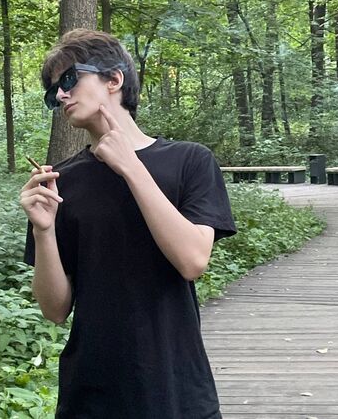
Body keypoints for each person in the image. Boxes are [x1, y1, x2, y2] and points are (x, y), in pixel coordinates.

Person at [20, 28, 237, 419]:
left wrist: (130, 167)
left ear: (114, 79)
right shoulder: (61, 182)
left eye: (69, 80)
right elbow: (55, 310)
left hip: (177, 390)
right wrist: (43, 230)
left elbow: (192, 261)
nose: (61, 96)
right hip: (90, 395)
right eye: (53, 92)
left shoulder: (190, 161)